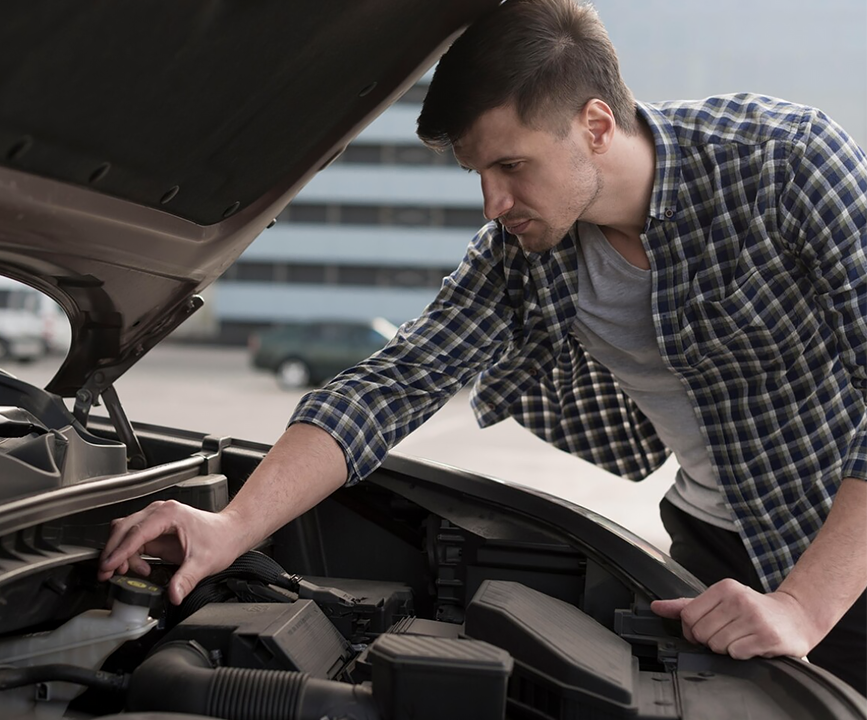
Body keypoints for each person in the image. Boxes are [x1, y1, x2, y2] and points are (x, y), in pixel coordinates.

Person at [99, 0, 867, 694]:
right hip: (708, 546)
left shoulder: (785, 161)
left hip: (843, 546)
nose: (493, 203)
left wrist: (802, 605)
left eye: (511, 166)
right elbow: (390, 386)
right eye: (478, 173)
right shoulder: (523, 253)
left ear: (596, 127)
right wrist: (231, 527)